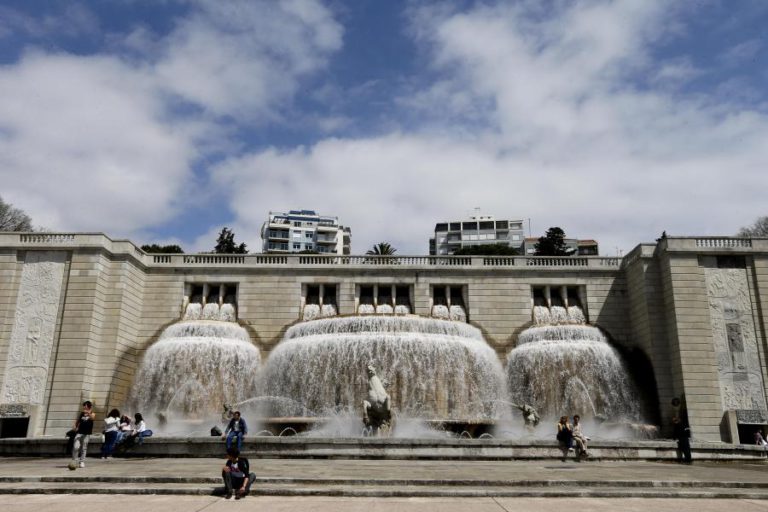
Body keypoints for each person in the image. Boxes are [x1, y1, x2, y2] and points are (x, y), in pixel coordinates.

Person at [71, 400, 95, 469]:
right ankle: (74, 460)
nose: (84, 407)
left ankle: (82, 461)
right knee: (76, 447)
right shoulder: (81, 414)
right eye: (84, 406)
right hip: (79, 432)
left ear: (89, 406)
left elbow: (93, 418)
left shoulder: (93, 413)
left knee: (84, 448)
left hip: (87, 433)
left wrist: (88, 413)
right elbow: (77, 421)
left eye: (85, 406)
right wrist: (75, 426)